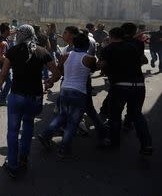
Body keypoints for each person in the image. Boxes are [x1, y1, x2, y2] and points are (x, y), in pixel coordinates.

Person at [0, 24, 60, 178]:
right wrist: (49, 82)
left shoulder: (13, 51)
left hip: (17, 96)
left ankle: (12, 165)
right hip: (34, 97)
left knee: (13, 131)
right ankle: (23, 158)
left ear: (20, 35)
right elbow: (56, 72)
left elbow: (3, 74)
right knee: (28, 126)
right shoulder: (42, 51)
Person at [38, 33, 96, 157]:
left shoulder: (65, 56)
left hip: (65, 89)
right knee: (73, 122)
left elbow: (60, 71)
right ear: (87, 45)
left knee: (61, 115)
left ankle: (45, 135)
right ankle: (63, 148)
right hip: (79, 92)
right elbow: (94, 69)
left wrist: (51, 80)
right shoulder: (89, 58)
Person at [98, 27, 152, 155]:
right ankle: (147, 144)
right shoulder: (133, 47)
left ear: (111, 36)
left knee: (115, 115)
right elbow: (144, 60)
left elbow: (101, 65)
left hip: (120, 86)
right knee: (137, 115)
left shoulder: (108, 49)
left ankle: (114, 141)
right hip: (139, 85)